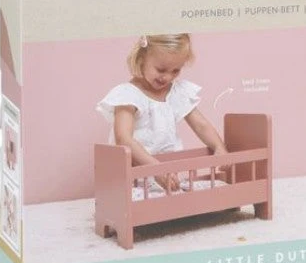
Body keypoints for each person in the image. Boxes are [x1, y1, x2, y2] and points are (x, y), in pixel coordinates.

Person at [97, 33, 227, 192]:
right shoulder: (127, 95)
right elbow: (123, 138)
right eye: (161, 69)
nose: (167, 77)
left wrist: (218, 146)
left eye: (175, 71)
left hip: (166, 174)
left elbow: (201, 125)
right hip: (133, 175)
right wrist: (155, 169)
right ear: (142, 59)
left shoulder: (177, 92)